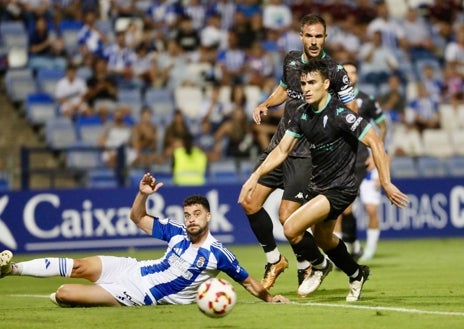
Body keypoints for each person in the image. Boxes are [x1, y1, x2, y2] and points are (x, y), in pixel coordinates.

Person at [239, 59, 409, 302]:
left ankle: (318, 266)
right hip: (318, 186)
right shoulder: (301, 114)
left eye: (312, 83)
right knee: (323, 238)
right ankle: (356, 273)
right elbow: (282, 150)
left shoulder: (341, 114)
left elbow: (375, 142)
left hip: (340, 187)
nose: (306, 88)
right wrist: (255, 176)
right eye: (304, 83)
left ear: (326, 84)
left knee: (291, 227)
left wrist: (386, 182)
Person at [0, 173, 289, 307]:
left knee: (64, 292)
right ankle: (10, 270)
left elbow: (249, 282)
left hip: (142, 295)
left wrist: (270, 297)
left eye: (197, 214)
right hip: (131, 268)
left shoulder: (219, 254)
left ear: (209, 217)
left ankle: (79, 297)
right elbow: (138, 219)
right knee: (78, 266)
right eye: (187, 214)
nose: (191, 219)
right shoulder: (176, 231)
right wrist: (143, 196)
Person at [240, 14, 358, 295]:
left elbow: (351, 113)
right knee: (249, 201)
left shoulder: (335, 71)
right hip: (280, 144)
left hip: (307, 153)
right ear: (301, 36)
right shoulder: (291, 60)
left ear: (325, 38)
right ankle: (275, 261)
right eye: (309, 36)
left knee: (287, 218)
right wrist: (266, 103)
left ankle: (313, 263)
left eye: (319, 36)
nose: (314, 41)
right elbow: (284, 89)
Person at [334, 61, 389, 261]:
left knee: (370, 208)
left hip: (364, 162)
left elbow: (382, 126)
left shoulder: (367, 100)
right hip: (342, 161)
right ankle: (350, 247)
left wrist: (377, 153)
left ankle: (367, 252)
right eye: (346, 72)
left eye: (353, 72)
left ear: (357, 76)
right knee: (343, 209)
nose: (350, 75)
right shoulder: (333, 99)